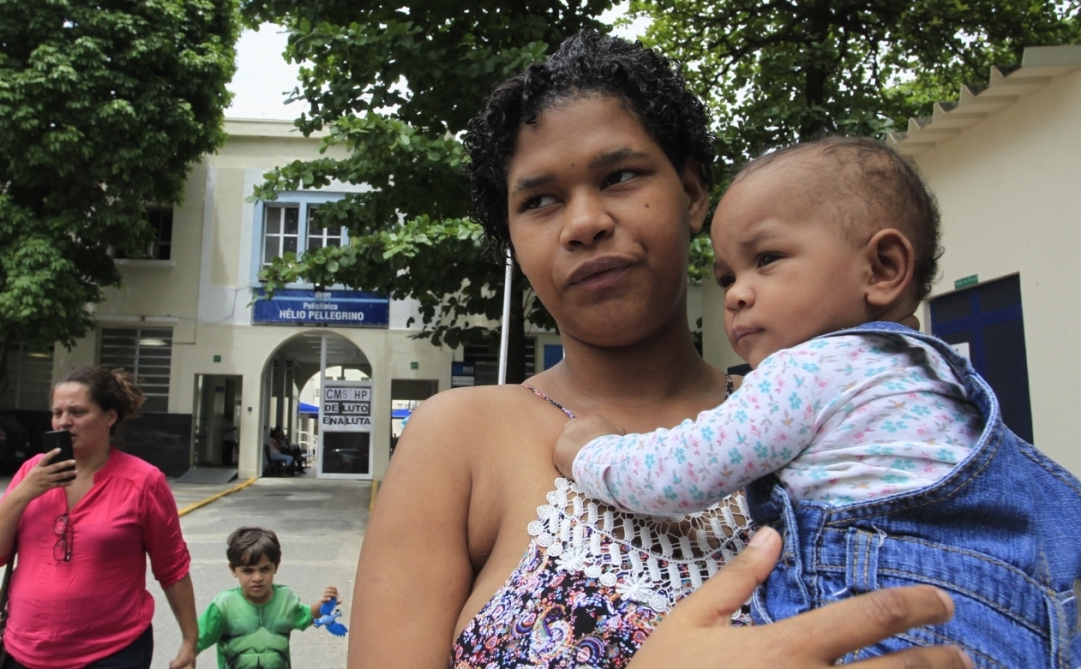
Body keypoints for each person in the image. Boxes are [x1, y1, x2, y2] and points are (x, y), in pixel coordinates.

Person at [348, 30, 971, 669]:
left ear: (694, 194)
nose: (584, 222)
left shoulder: (834, 418)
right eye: (539, 201)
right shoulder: (461, 438)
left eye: (620, 176)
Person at [555, 135, 1081, 666]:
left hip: (887, 633)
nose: (736, 294)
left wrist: (592, 453)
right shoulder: (938, 378)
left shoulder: (807, 370)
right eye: (727, 277)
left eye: (767, 259)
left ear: (882, 267)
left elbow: (678, 474)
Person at [0, 366, 198, 669]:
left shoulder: (143, 483)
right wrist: (23, 493)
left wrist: (189, 641)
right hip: (22, 650)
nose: (65, 421)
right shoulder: (31, 473)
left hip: (113, 652)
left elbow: (172, 567)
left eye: (77, 412)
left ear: (110, 416)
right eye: (57, 412)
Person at [197, 527, 339, 669]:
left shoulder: (285, 600)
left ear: (276, 566)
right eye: (248, 571)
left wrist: (323, 605)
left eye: (264, 569)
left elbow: (305, 616)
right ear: (233, 569)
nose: (257, 578)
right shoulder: (224, 606)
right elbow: (194, 641)